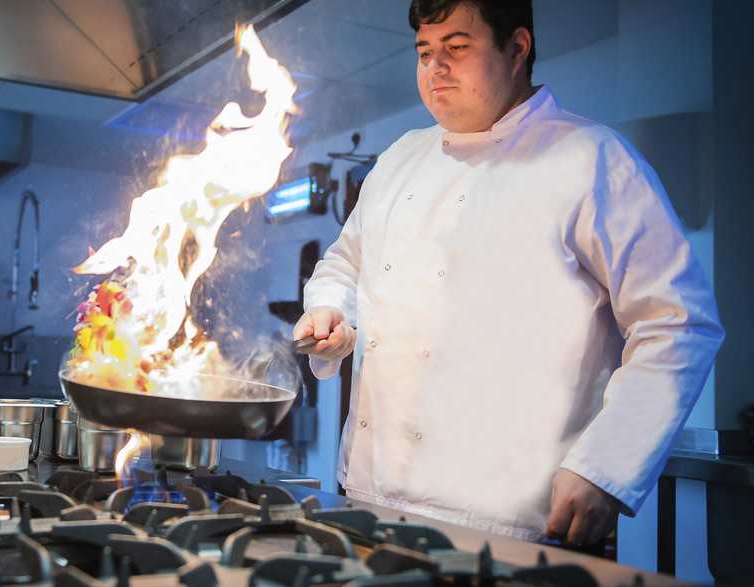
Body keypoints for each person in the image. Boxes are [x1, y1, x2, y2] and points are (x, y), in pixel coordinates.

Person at [293, 0, 724, 545]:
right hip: (371, 498)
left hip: (512, 518)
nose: (435, 68)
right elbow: (344, 262)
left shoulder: (591, 159)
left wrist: (606, 467)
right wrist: (331, 309)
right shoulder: (400, 158)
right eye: (425, 52)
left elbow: (678, 324)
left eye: (457, 47)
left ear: (517, 48)